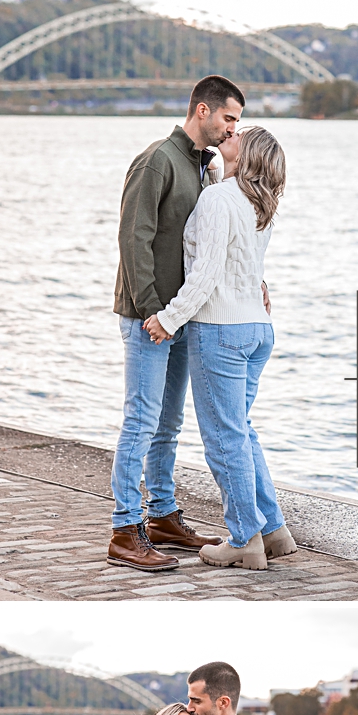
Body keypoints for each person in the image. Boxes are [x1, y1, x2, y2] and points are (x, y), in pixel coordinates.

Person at [108, 76, 245, 571]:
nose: (233, 128)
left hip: (181, 315)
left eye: (237, 122)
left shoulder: (203, 168)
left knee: (167, 426)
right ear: (203, 110)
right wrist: (150, 312)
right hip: (149, 317)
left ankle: (163, 516)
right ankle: (125, 530)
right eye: (229, 118)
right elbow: (133, 238)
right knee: (140, 422)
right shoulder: (157, 161)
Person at [144, 125, 295, 572]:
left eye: (239, 134)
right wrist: (214, 174)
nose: (231, 132)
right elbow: (235, 260)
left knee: (224, 438)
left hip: (221, 330)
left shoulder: (217, 200)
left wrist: (168, 318)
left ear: (246, 154)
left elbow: (206, 272)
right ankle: (273, 531)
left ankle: (243, 540)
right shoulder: (257, 202)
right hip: (257, 328)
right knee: (242, 431)